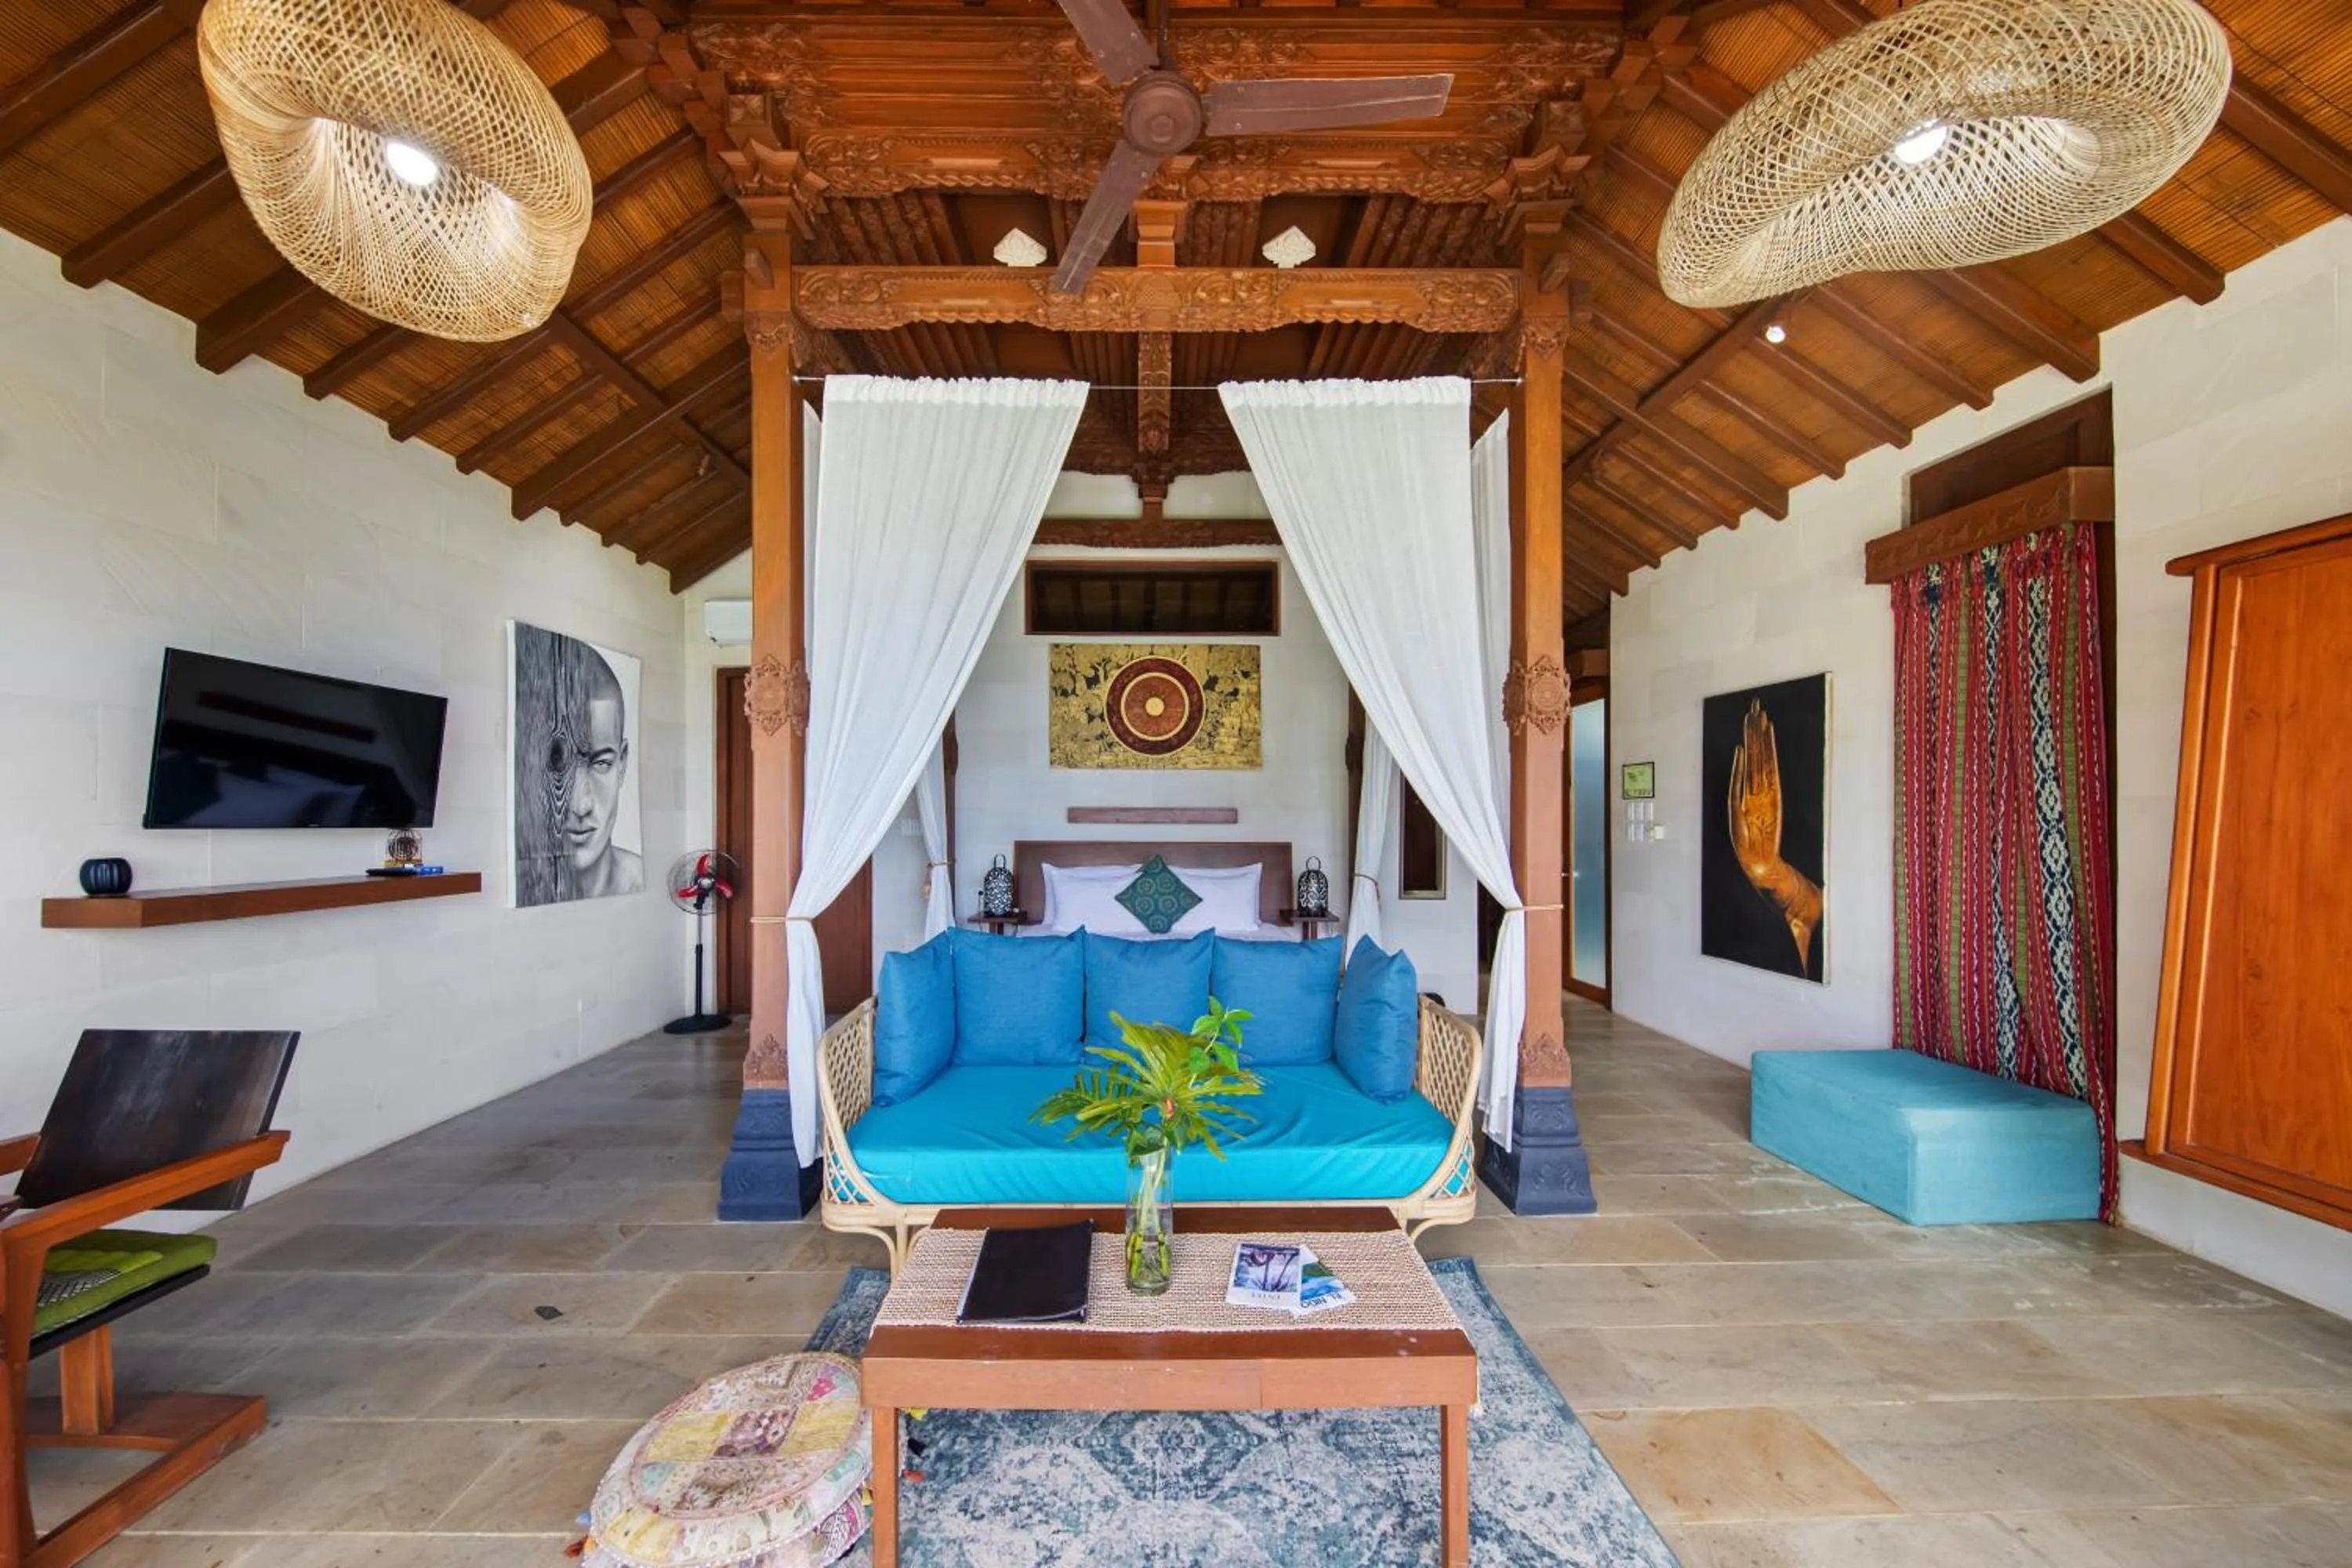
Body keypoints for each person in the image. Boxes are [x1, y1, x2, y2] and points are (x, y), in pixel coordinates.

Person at [548, 638, 643, 901]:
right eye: (558, 764)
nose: (581, 806)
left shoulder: (637, 880)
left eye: (601, 763)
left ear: (622, 763)